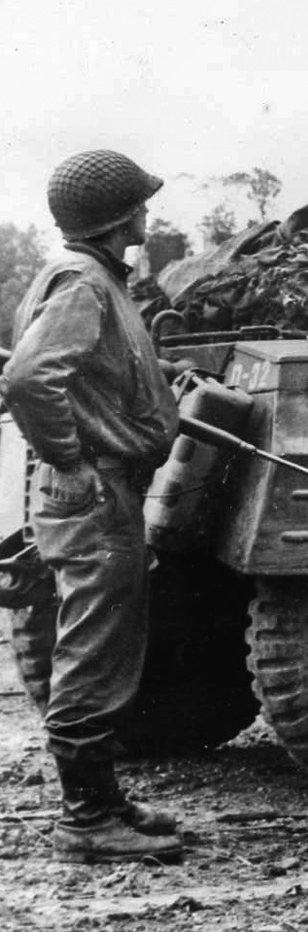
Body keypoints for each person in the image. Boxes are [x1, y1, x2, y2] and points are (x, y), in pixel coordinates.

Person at [1, 150, 182, 864]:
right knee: (92, 652)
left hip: (103, 487)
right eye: (138, 204)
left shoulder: (86, 278)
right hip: (94, 491)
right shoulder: (83, 283)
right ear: (116, 220)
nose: (146, 212)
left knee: (101, 645)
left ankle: (103, 801)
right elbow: (30, 378)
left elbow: (88, 374)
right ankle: (85, 815)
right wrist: (74, 462)